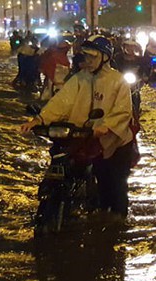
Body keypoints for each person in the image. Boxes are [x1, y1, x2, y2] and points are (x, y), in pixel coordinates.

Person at [20, 35, 135, 219]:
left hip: (114, 142)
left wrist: (106, 127)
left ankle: (117, 221)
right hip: (86, 138)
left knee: (114, 185)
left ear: (105, 58)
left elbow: (122, 112)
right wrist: (39, 120)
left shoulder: (118, 81)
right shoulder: (79, 79)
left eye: (92, 57)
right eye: (86, 57)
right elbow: (61, 102)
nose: (88, 61)